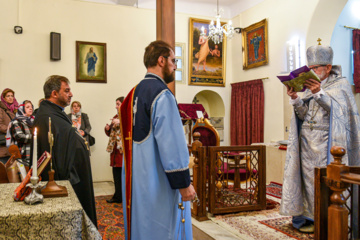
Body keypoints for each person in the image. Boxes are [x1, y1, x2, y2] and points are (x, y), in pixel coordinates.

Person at [120, 40, 196, 240]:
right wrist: (183, 183)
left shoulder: (131, 95)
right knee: (163, 229)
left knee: (140, 226)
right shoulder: (162, 94)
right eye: (173, 60)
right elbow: (171, 144)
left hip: (135, 180)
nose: (175, 65)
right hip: (158, 182)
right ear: (161, 61)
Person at [280, 43, 360, 233]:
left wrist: (320, 94)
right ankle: (308, 218)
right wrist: (296, 99)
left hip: (328, 146)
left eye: (316, 68)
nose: (313, 72)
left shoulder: (340, 85)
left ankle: (327, 219)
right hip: (307, 145)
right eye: (311, 69)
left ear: (328, 67)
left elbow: (340, 114)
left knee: (325, 183)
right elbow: (304, 116)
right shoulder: (309, 87)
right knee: (308, 184)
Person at [34, 75, 97, 227]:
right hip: (64, 180)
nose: (71, 94)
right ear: (54, 93)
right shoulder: (47, 116)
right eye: (67, 90)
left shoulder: (56, 112)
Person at [104, 96, 124, 204]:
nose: (116, 106)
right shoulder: (116, 116)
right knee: (116, 177)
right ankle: (117, 196)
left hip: (123, 153)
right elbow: (111, 133)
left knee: (123, 177)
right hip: (115, 152)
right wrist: (107, 129)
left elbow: (130, 129)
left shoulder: (128, 115)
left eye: (118, 104)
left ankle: (122, 197)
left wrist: (121, 122)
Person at [6, 100, 34, 166]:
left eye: (31, 107)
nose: (31, 108)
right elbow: (20, 137)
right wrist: (35, 137)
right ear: (22, 109)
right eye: (27, 107)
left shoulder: (34, 120)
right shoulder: (16, 122)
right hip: (23, 155)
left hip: (34, 154)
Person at [0, 88, 18, 164]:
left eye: (12, 96)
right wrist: (10, 129)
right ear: (3, 98)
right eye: (8, 96)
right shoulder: (1, 110)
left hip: (13, 145)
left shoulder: (15, 109)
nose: (10, 98)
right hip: (4, 146)